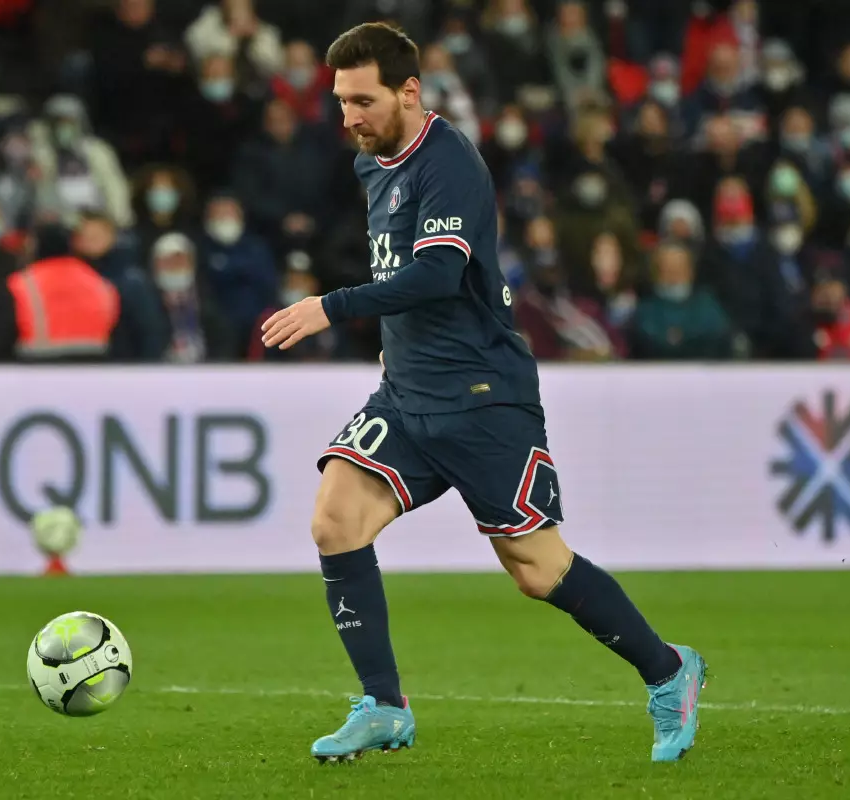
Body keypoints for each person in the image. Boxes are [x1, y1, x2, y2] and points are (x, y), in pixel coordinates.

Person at [260, 22, 705, 764]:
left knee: (537, 569)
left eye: (362, 100)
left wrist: (330, 307)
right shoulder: (373, 164)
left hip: (481, 393)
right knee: (336, 519)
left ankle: (669, 671)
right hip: (407, 393)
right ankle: (383, 705)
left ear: (410, 91)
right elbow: (410, 281)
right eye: (341, 101)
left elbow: (436, 274)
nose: (349, 118)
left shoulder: (449, 160)